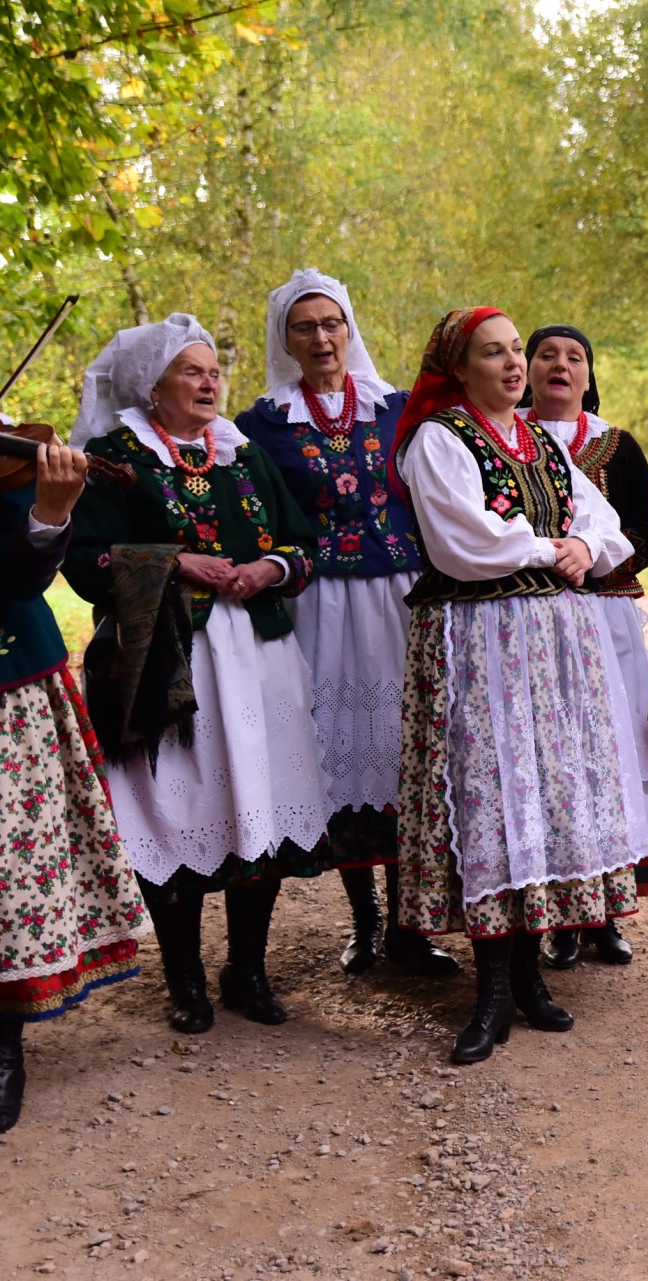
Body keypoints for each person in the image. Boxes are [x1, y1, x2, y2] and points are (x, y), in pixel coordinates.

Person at [390, 307, 648, 1064]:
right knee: (488, 800)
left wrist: (584, 545)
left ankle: (530, 976)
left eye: (516, 350)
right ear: (458, 368)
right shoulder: (439, 439)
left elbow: (605, 521)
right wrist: (552, 547)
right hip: (479, 641)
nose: (513, 364)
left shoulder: (542, 441)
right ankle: (492, 991)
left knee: (540, 795)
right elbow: (464, 542)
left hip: (551, 644)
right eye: (493, 353)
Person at [67, 314, 329, 1033]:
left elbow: (302, 543)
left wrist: (269, 567)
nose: (209, 382)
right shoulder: (114, 457)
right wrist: (175, 562)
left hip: (259, 657)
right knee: (174, 807)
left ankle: (248, 969)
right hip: (166, 659)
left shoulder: (243, 452)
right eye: (192, 371)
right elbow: (83, 562)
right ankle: (184, 980)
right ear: (152, 386)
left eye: (213, 371)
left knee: (261, 803)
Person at [234, 268, 458, 979]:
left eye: (332, 322)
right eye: (305, 327)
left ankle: (409, 927)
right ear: (286, 340)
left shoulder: (399, 409)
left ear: (349, 327)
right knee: (335, 755)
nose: (322, 337)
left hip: (400, 595)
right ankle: (364, 923)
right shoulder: (260, 425)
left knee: (404, 751)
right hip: (317, 604)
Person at [0, 433, 149, 1132]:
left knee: (9, 871)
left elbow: (17, 578)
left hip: (7, 681)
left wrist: (50, 515)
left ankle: (4, 1043)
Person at [520, 323, 648, 969]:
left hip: (608, 621)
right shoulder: (503, 442)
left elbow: (647, 532)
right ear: (526, 371)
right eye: (546, 355)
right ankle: (560, 916)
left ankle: (608, 913)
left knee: (612, 756)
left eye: (574, 357)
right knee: (550, 762)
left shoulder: (617, 447)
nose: (560, 365)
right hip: (530, 623)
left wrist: (593, 559)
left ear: (589, 376)